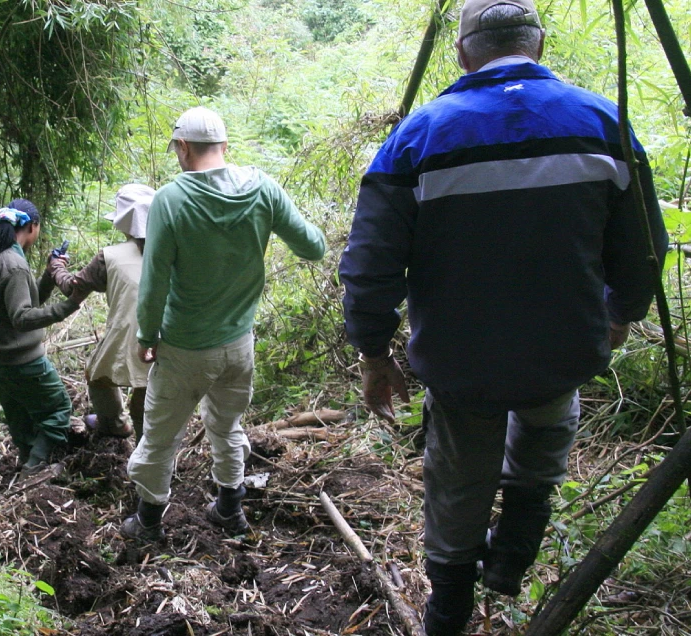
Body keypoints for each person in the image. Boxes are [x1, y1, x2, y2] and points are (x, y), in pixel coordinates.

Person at [338, 1, 668, 633]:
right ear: (538, 45)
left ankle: (449, 608)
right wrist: (622, 312)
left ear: (463, 54)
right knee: (546, 429)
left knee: (460, 478)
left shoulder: (420, 136)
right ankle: (513, 555)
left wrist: (374, 352)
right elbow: (643, 245)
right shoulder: (605, 123)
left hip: (463, 362)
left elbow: (371, 263)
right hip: (564, 347)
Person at [123, 106, 327, 541]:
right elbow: (313, 247)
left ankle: (148, 522)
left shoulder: (171, 200)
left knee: (160, 436)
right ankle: (230, 510)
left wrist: (146, 336)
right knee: (227, 426)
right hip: (239, 344)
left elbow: (154, 281)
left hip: (183, 349)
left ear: (182, 148)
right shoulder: (263, 189)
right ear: (225, 147)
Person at [0, 199, 89, 473]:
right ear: (32, 226)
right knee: (59, 409)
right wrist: (68, 306)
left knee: (20, 416)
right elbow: (22, 317)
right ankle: (35, 470)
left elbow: (22, 300)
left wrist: (49, 276)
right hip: (20, 360)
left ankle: (28, 461)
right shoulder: (14, 264)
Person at [47, 184, 155, 441]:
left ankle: (115, 423)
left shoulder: (110, 257)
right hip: (170, 334)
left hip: (128, 331)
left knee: (97, 375)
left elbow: (73, 288)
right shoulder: (175, 250)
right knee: (149, 388)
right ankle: (147, 446)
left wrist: (56, 268)